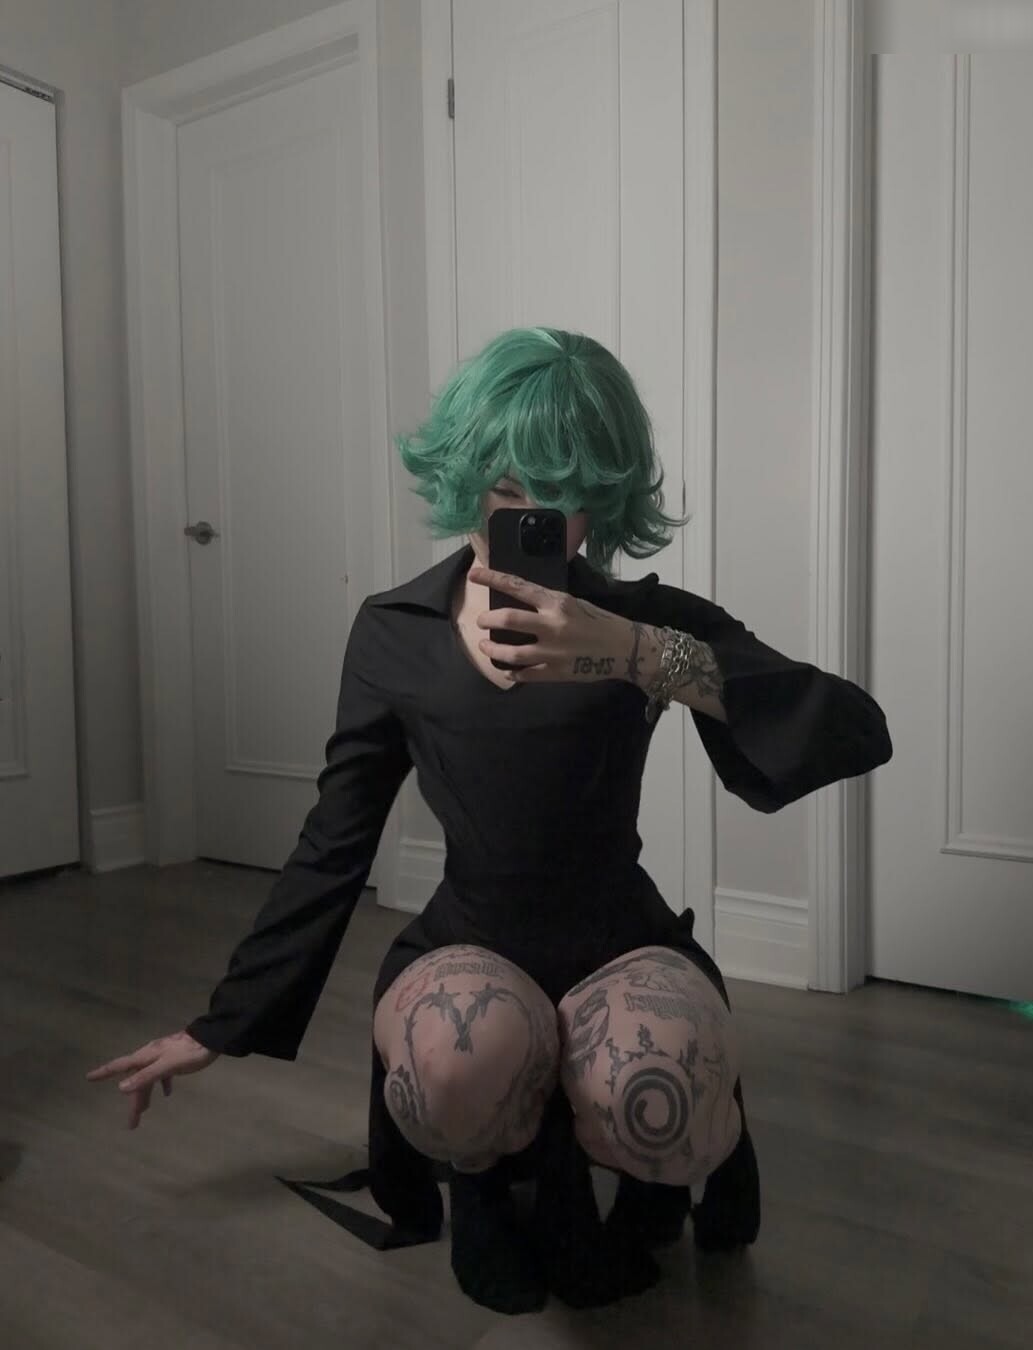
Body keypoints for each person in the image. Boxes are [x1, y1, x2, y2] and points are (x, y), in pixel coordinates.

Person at [87, 327, 893, 1315]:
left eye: (568, 497)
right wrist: (222, 1024)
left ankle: (630, 1168)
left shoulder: (641, 622)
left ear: (604, 500)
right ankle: (485, 1181)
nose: (538, 521)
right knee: (460, 1066)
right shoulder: (394, 630)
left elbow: (855, 728)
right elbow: (335, 840)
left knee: (666, 1093)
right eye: (511, 492)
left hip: (619, 933)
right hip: (469, 937)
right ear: (467, 478)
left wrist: (639, 654)